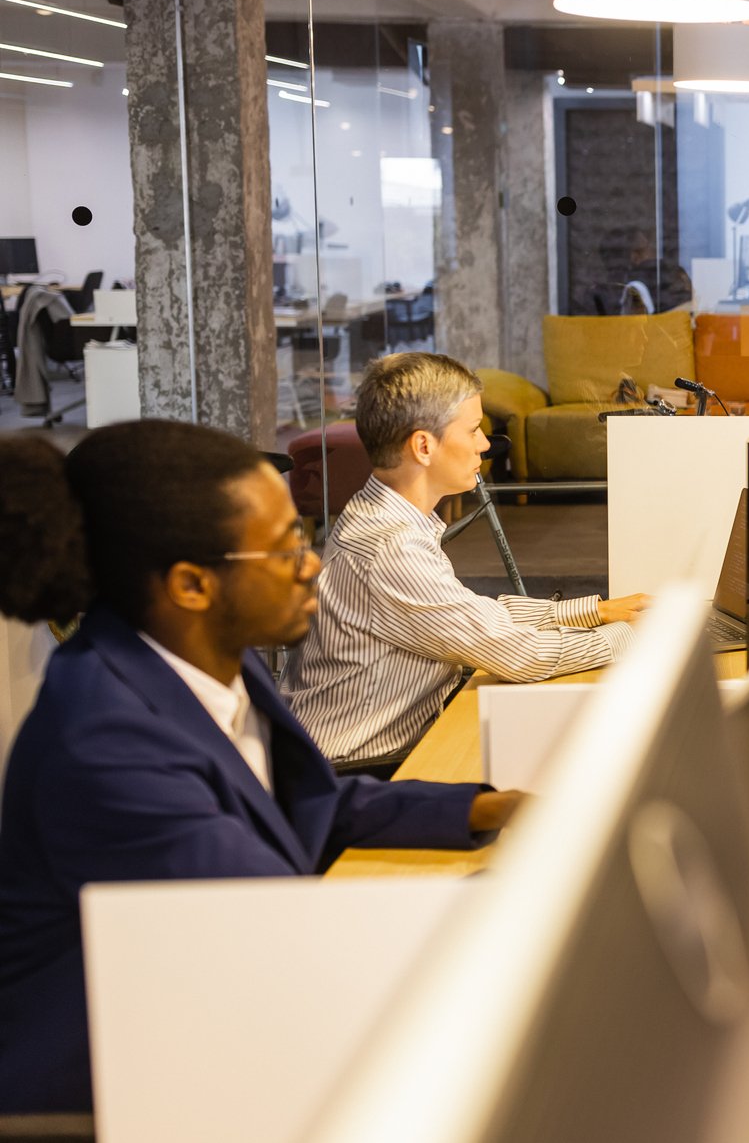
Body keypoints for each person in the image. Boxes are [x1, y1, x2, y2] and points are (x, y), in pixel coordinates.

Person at [0, 421, 523, 1115]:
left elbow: (302, 807)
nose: (314, 565)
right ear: (192, 585)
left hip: (222, 1022)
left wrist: (486, 809)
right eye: (287, 548)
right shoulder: (103, 742)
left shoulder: (211, 655)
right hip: (106, 1099)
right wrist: (520, 902)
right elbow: (276, 924)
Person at [284, 353, 650, 768]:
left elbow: (475, 614)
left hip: (376, 751)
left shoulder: (388, 516)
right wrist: (642, 638)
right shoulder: (391, 548)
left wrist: (597, 610)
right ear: (423, 446)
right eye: (474, 429)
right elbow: (521, 656)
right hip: (357, 772)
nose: (483, 444)